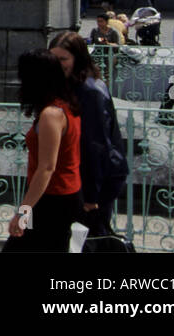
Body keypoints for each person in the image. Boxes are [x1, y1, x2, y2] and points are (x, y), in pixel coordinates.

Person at [49, 32, 129, 240]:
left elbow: (96, 144)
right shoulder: (71, 84)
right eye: (53, 59)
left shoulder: (89, 91)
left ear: (78, 58)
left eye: (63, 59)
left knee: (88, 238)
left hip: (95, 177)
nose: (57, 65)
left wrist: (92, 194)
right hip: (81, 173)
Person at [5, 49, 82, 252]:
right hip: (60, 194)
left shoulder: (51, 115)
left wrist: (23, 212)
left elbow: (47, 167)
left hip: (52, 198)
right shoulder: (66, 105)